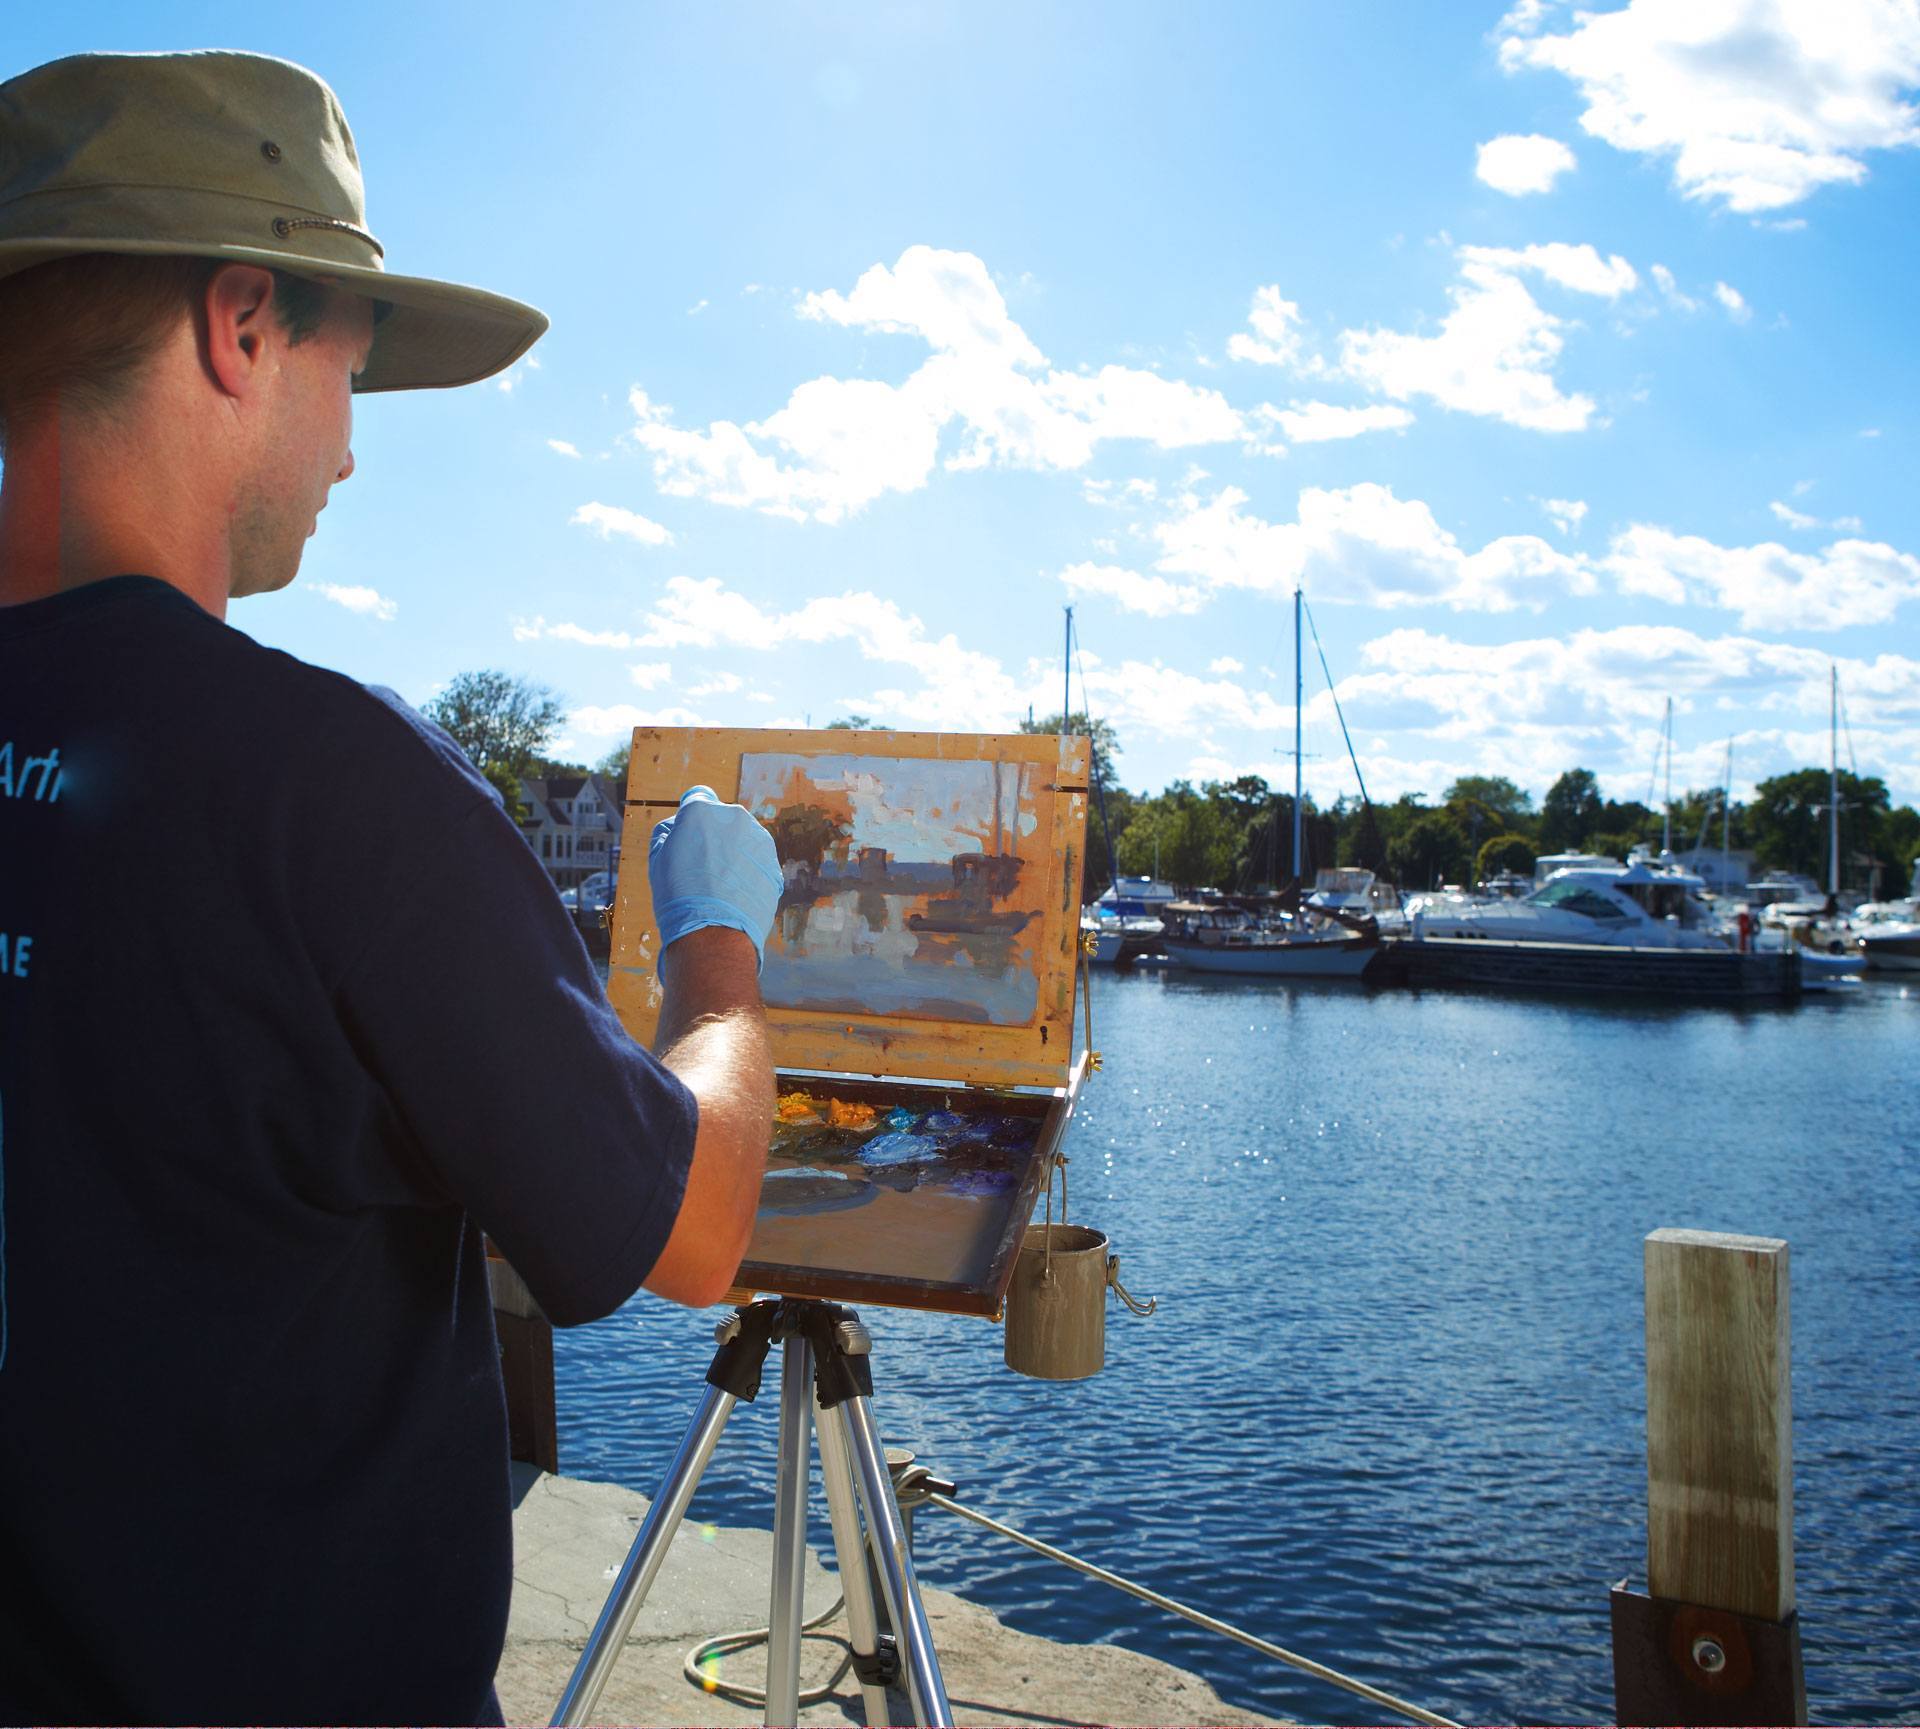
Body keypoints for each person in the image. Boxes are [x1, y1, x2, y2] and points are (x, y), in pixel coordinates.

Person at [0, 49, 781, 1724]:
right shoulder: (327, 789)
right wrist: (717, 954)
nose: (352, 449)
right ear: (243, 326)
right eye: (354, 369)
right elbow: (696, 1231)